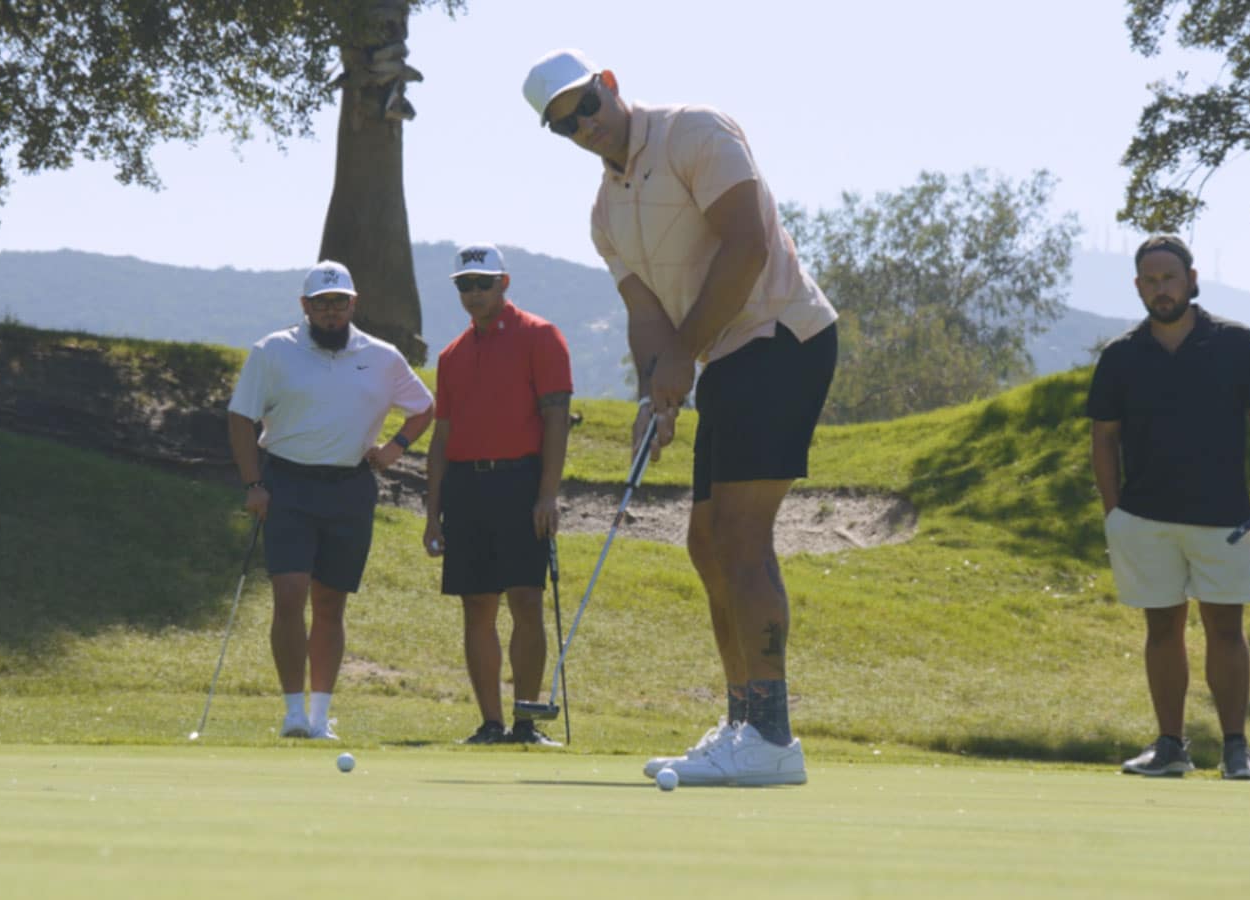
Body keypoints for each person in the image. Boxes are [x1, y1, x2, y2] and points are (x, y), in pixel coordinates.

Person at [522, 50, 839, 785]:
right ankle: (744, 724)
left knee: (739, 533)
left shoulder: (695, 132)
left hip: (783, 336)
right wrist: (651, 396)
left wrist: (684, 357)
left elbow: (749, 245)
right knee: (704, 541)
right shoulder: (605, 214)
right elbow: (646, 317)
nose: (583, 127)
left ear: (609, 85)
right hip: (726, 355)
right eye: (564, 125)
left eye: (585, 107)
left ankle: (770, 734)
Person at [1086, 235, 1250, 780]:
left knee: (1225, 630)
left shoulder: (1234, 342)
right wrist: (1114, 512)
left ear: (1191, 280)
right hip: (1145, 518)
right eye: (1150, 281)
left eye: (1169, 278)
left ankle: (1236, 749)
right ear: (1138, 287)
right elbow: (1104, 437)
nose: (1161, 289)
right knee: (1162, 631)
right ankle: (1171, 746)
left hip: (1223, 516)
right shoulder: (1122, 354)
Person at [228, 260, 434, 740]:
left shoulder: (381, 356)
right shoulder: (274, 351)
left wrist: (394, 448)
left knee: (330, 602)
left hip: (350, 486)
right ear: (305, 307)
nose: (331, 313)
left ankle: (320, 717)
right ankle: (292, 712)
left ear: (353, 304)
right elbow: (241, 419)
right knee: (289, 595)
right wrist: (252, 484)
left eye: (339, 303)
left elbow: (425, 408)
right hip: (287, 483)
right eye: (322, 304)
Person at [422, 243, 574, 746]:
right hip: (466, 487)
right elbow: (441, 438)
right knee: (476, 605)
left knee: (526, 601)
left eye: (482, 283)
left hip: (520, 482)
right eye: (464, 284)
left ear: (503, 284)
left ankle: (526, 724)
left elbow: (556, 419)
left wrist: (547, 495)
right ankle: (491, 724)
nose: (473, 293)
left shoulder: (541, 336)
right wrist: (433, 513)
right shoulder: (452, 354)